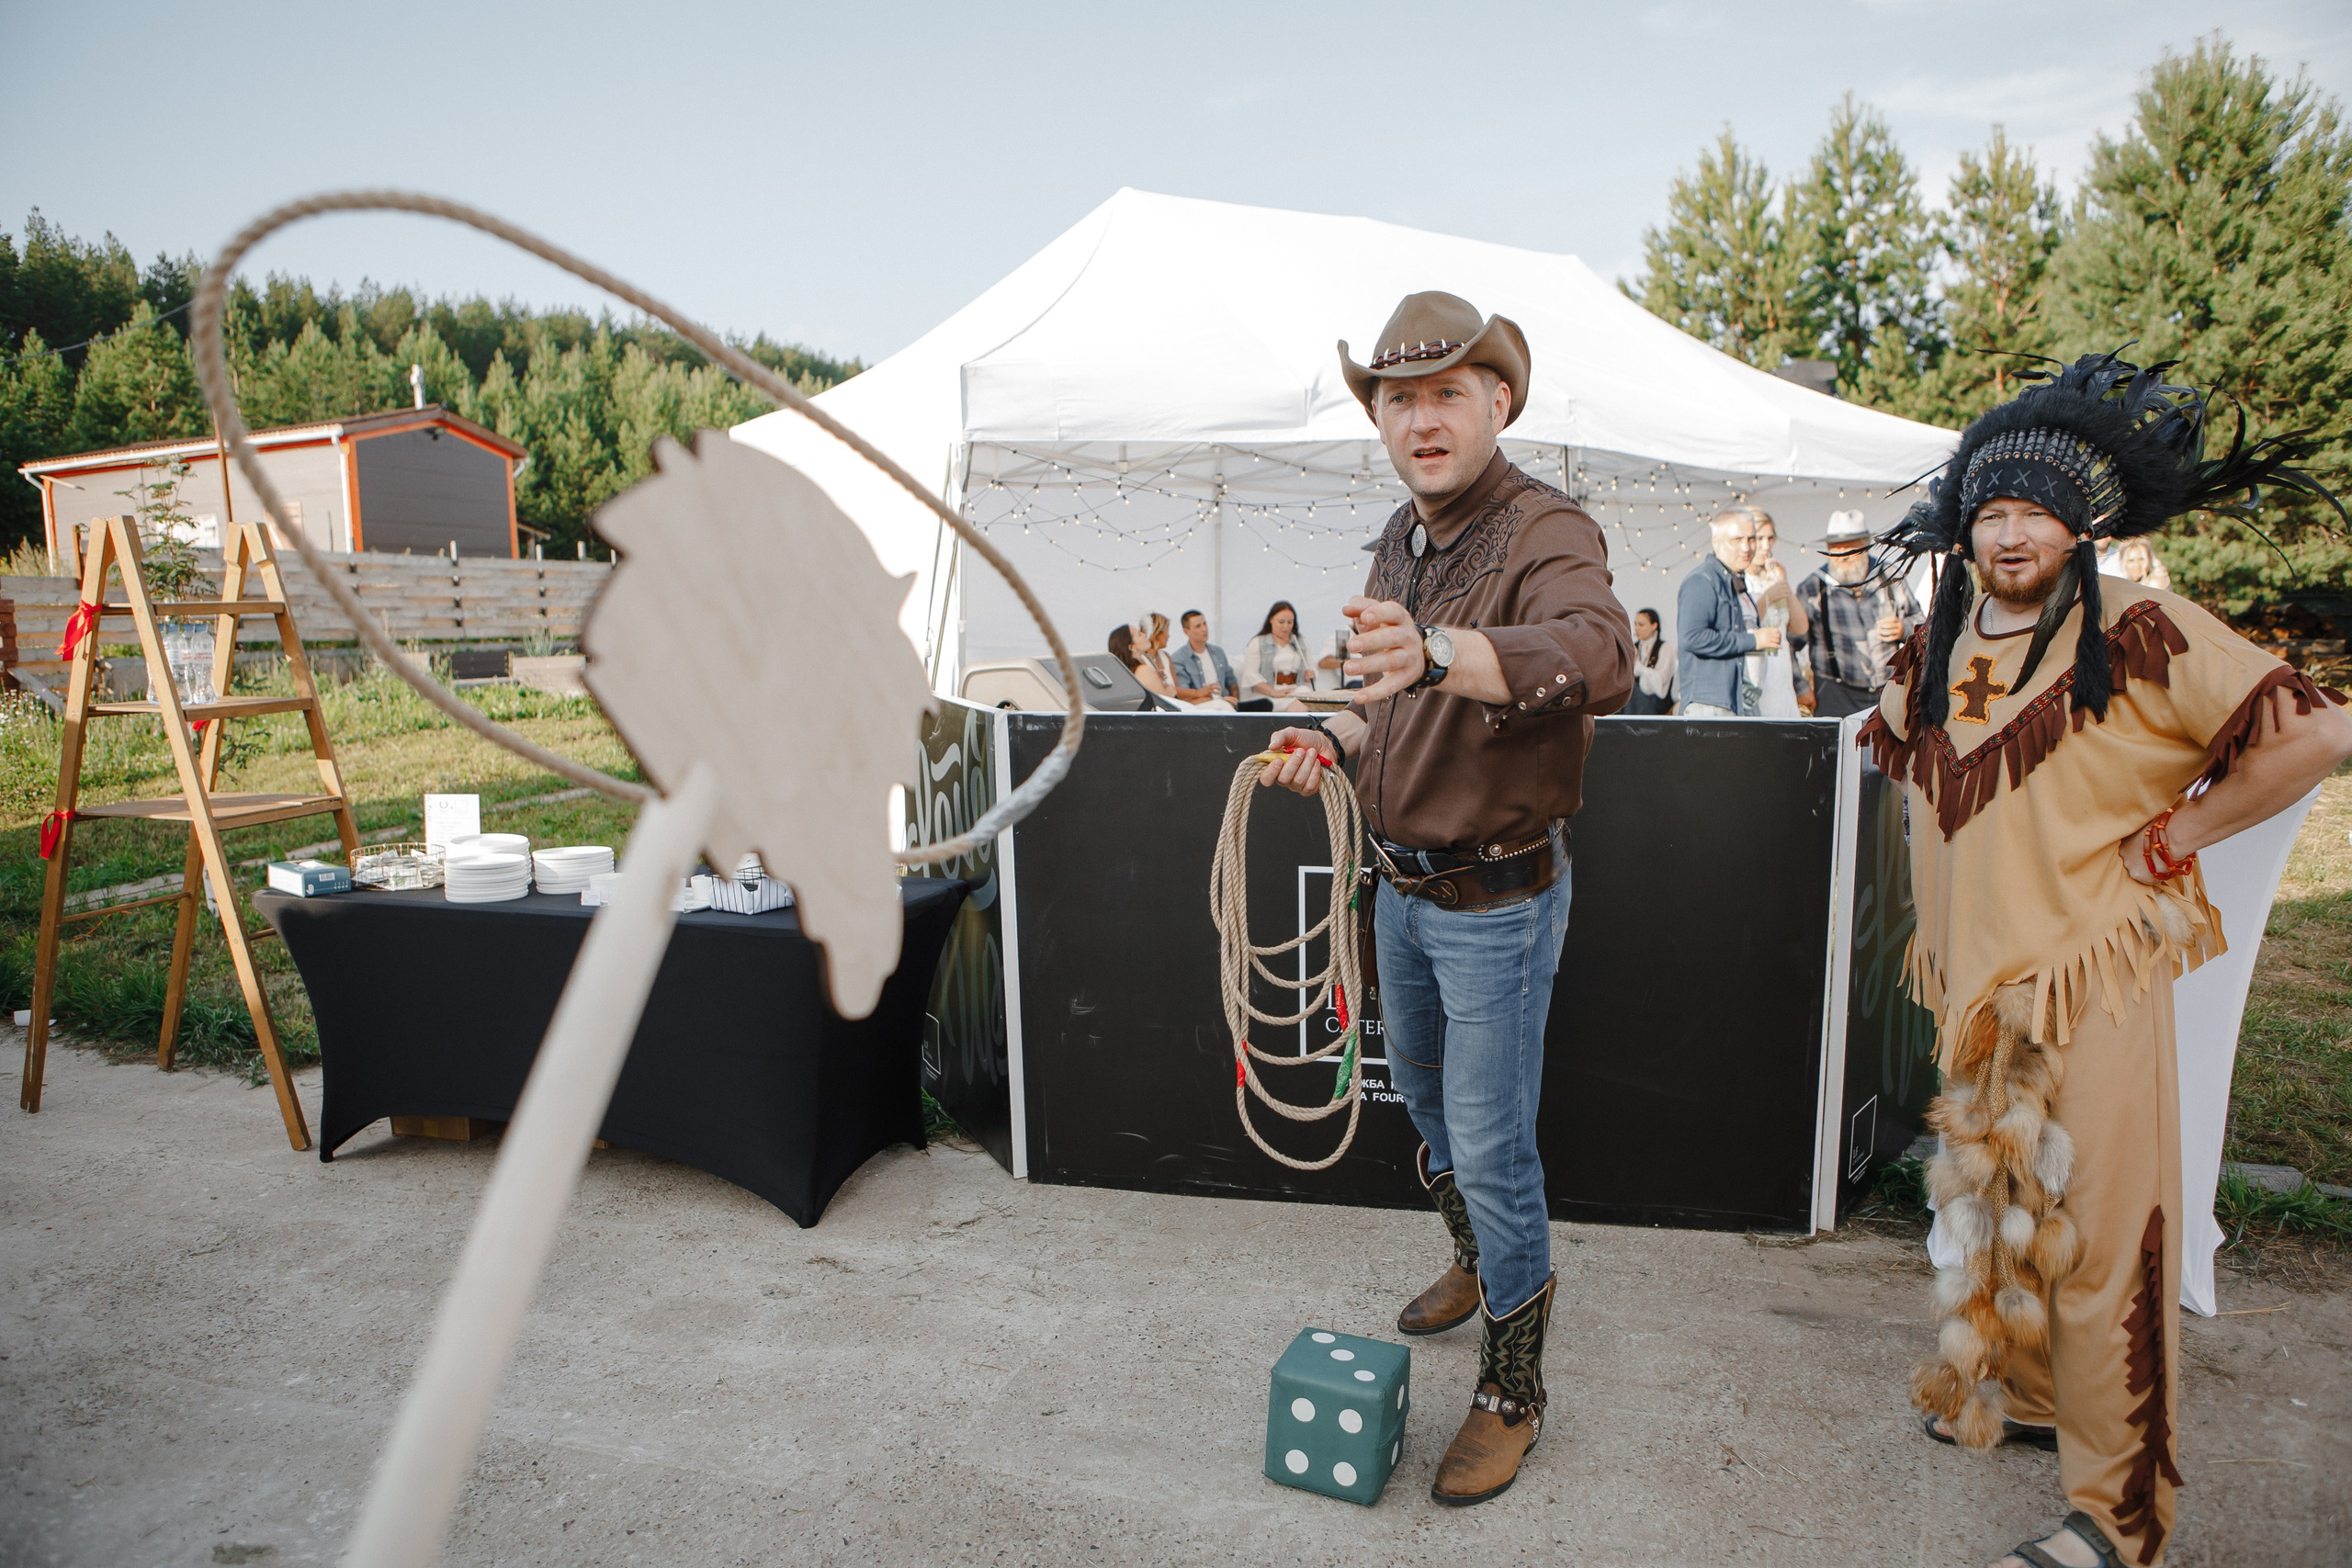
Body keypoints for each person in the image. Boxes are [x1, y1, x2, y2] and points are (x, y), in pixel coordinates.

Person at [1862, 351, 2352, 1568]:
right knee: (2004, 1217)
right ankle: (2028, 1399)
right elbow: (1907, 744)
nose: (2011, 529)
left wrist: (2180, 831)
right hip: (1981, 989)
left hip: (2092, 980)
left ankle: (2121, 1516)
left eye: (2033, 509)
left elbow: (2315, 734)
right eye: (1990, 508)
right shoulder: (1948, 628)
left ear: (2078, 522)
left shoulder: (2139, 623)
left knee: (2103, 1240)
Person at [1259, 291, 1633, 1505]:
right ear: (1379, 415)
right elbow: (1387, 697)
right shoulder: (1399, 538)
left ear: (1498, 402)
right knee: (1421, 1097)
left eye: (1446, 394)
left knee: (1490, 1139)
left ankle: (1514, 1386)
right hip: (1399, 890)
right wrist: (1329, 728)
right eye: (1399, 397)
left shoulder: (1547, 526)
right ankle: (1474, 1260)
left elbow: (1603, 653)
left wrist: (1436, 652)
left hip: (1498, 905)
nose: (1421, 418)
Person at [1797, 510, 1924, 720]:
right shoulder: (1813, 588)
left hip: (1888, 689)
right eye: (1836, 547)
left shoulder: (1890, 575)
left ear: (1866, 545)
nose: (1842, 553)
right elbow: (1791, 643)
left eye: (1851, 546)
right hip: (1835, 693)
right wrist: (1801, 687)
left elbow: (1922, 623)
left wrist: (1903, 628)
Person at [1676, 510, 1782, 716]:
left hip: (1740, 703)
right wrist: (1753, 641)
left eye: (1751, 539)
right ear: (1716, 542)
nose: (1746, 547)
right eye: (1737, 539)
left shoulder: (1736, 583)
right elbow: (1692, 638)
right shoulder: (1702, 580)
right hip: (1711, 706)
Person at [1743, 509, 1808, 716]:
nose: (1766, 546)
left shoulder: (1775, 574)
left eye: (1770, 538)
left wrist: (1783, 585)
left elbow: (1800, 627)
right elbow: (1744, 624)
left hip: (1781, 665)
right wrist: (1767, 597)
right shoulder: (1741, 580)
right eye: (1760, 538)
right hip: (1756, 665)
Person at [1238, 601, 1312, 711]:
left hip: (1294, 692)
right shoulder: (1258, 642)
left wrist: (1310, 675)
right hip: (1268, 696)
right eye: (1281, 622)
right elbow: (1250, 675)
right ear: (1271, 619)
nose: (1285, 627)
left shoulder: (1300, 642)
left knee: (1305, 693)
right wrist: (1274, 692)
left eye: (1290, 622)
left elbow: (1310, 667)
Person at [1169, 609, 1239, 704]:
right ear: (1186, 631)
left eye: (1205, 624)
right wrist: (1219, 700)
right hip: (1200, 709)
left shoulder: (1218, 652)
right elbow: (1184, 696)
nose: (1204, 629)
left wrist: (1235, 702)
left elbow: (1231, 682)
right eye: (1198, 626)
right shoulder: (1179, 659)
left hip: (1225, 706)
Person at [1625, 607, 1674, 715]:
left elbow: (1661, 688)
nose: (1637, 628)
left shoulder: (1664, 648)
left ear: (1654, 626)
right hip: (1634, 704)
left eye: (1641, 625)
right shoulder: (1634, 647)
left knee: (1632, 694)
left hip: (1656, 704)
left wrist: (1638, 666)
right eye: (1635, 624)